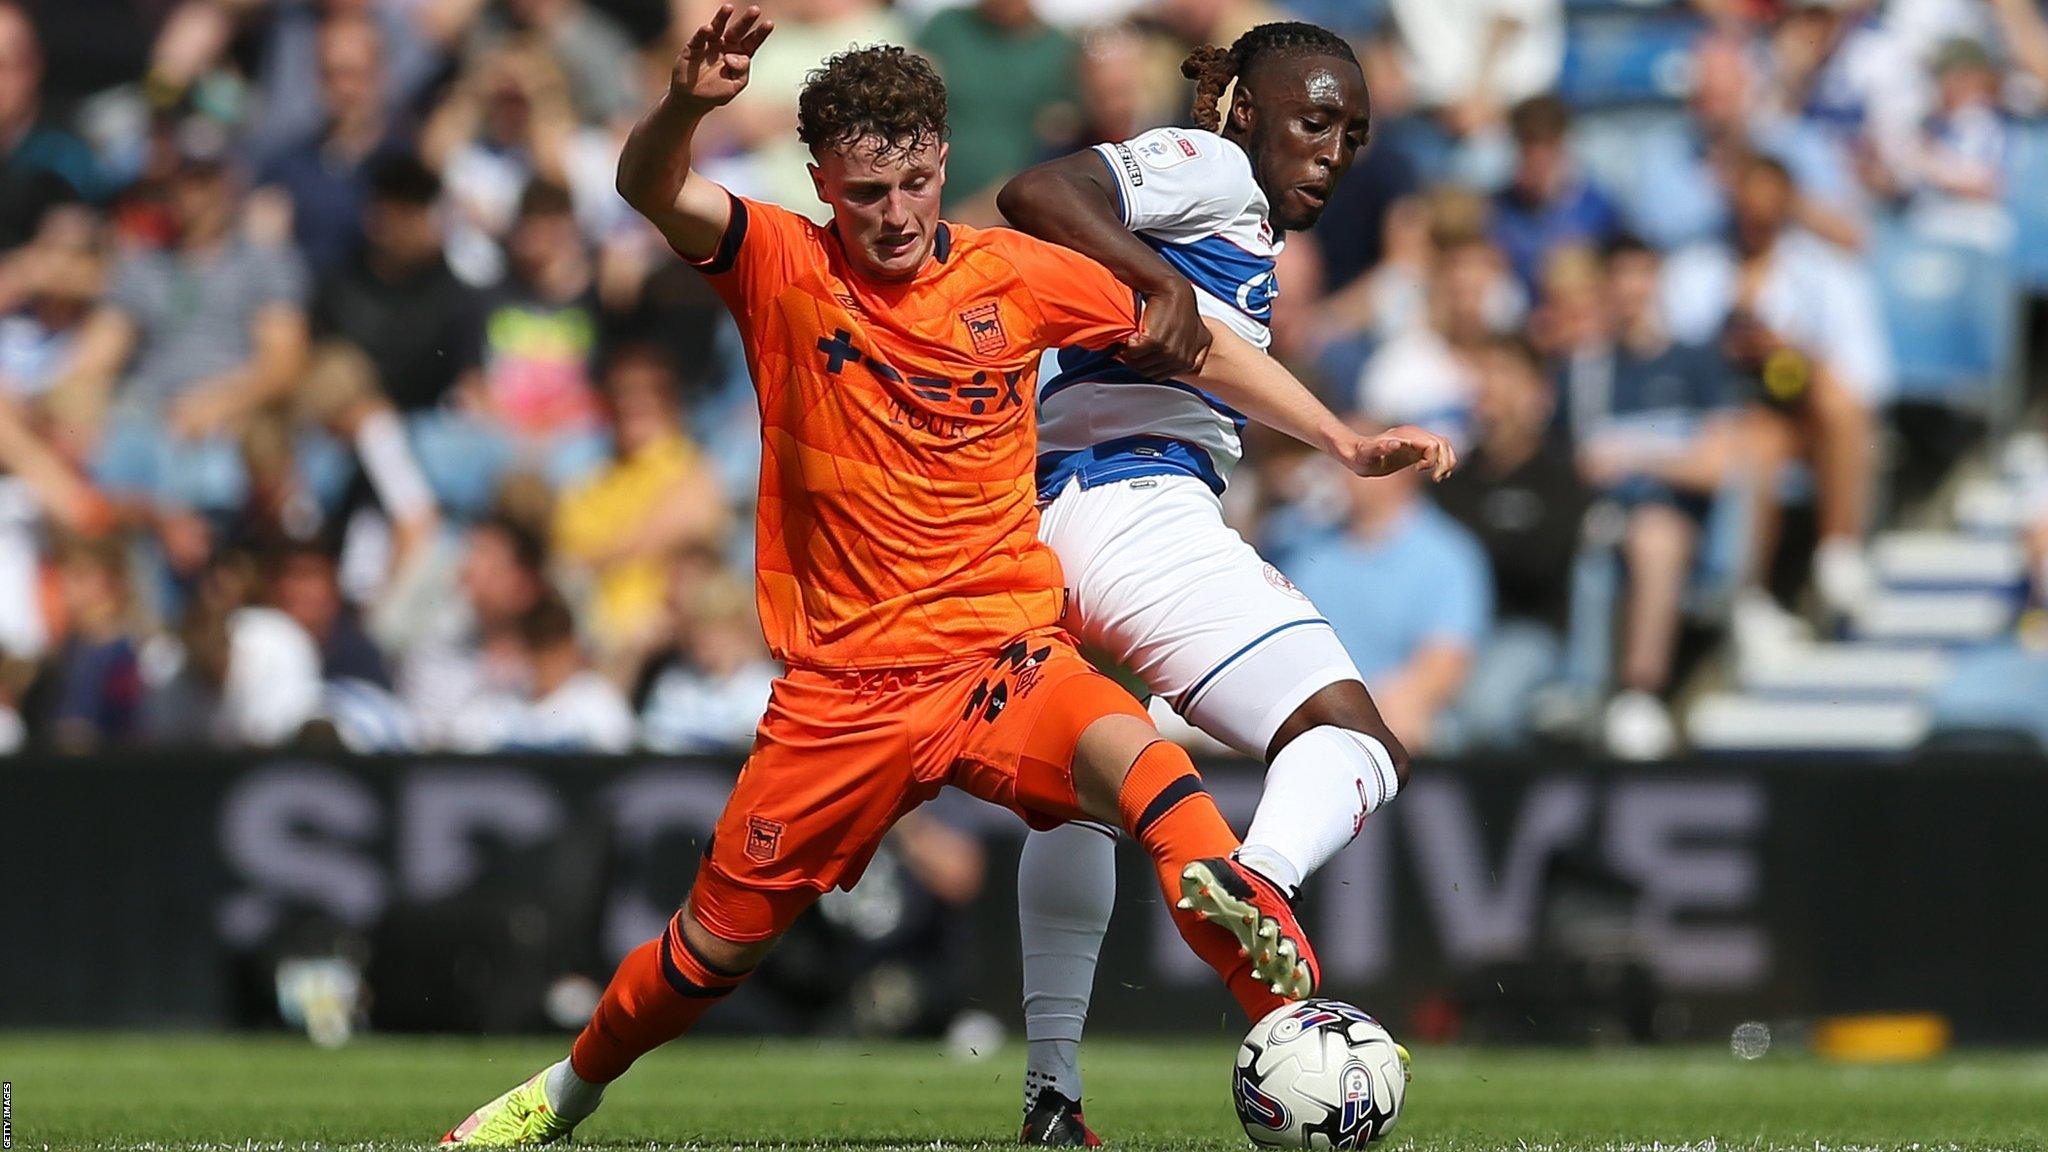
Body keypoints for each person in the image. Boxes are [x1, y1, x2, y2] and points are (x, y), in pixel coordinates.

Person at [441, 14, 1434, 1145]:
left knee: (1160, 790)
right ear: (820, 181)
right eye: (866, 192)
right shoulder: (778, 261)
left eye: (915, 183)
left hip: (1002, 659)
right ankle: (561, 1092)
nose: (898, 215)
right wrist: (685, 109)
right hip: (844, 691)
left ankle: (1291, 1038)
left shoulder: (1012, 278)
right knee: (707, 953)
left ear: (942, 164)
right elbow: (647, 186)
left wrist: (1334, 437)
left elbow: (1199, 345)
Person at [995, 21, 1449, 1141]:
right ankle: (1255, 880)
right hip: (1129, 510)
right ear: (1239, 105)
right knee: (1351, 737)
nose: (1332, 149)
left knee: (1076, 797)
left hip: (1031, 524)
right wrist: (1152, 275)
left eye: (1350, 133)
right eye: (1311, 119)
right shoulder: (1210, 165)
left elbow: (1201, 348)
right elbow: (1038, 191)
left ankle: (1050, 1092)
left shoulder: (1228, 213)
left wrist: (1338, 441)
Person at [1565, 237, 1740, 758]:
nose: (1630, 291)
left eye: (1640, 276)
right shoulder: (1587, 371)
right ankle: (1576, 690)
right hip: (1599, 519)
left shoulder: (1696, 364)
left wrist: (1634, 456)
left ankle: (1640, 691)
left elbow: (1715, 467)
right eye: (1618, 279)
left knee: (1654, 535)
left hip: (1685, 524)